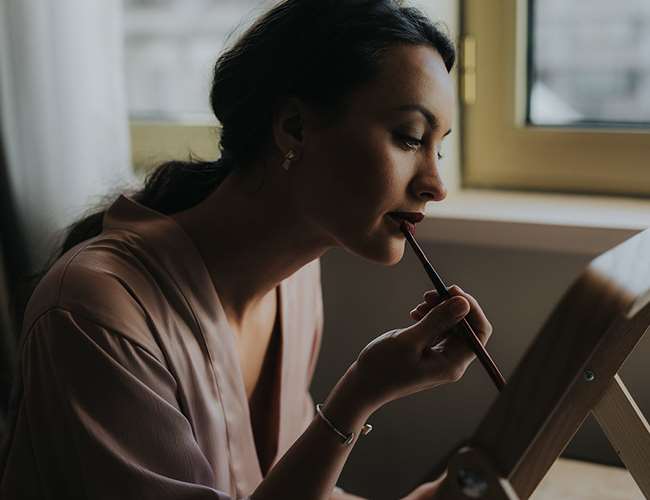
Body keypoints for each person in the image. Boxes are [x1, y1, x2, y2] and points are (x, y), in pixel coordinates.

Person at [0, 0, 494, 498]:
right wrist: (357, 398)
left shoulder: (295, 282)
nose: (435, 184)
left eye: (440, 146)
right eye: (409, 138)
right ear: (294, 128)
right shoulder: (96, 311)